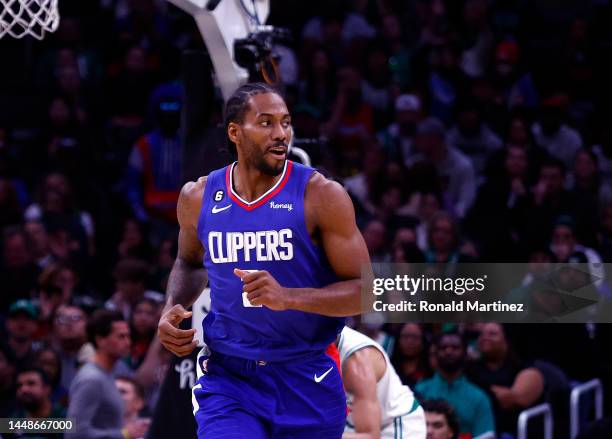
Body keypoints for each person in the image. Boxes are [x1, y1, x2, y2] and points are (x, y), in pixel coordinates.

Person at [157, 82, 371, 438]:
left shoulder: (321, 195)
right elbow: (189, 262)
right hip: (230, 378)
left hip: (305, 375)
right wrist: (172, 306)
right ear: (235, 132)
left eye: (286, 123)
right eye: (267, 123)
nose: (281, 134)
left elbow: (368, 291)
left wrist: (288, 297)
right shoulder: (198, 197)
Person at [66, 309, 149, 439]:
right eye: (121, 336)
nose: (128, 343)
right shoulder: (91, 379)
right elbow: (74, 434)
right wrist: (125, 434)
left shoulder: (106, 375)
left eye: (128, 336)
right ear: (100, 340)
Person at [338, 326, 426, 439]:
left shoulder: (357, 359)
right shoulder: (312, 344)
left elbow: (370, 436)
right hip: (351, 424)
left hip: (393, 424)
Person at [415, 332, 495, 439]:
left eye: (455, 347)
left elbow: (486, 436)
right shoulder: (420, 391)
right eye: (443, 348)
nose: (448, 351)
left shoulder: (479, 397)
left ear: (465, 353)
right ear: (435, 353)